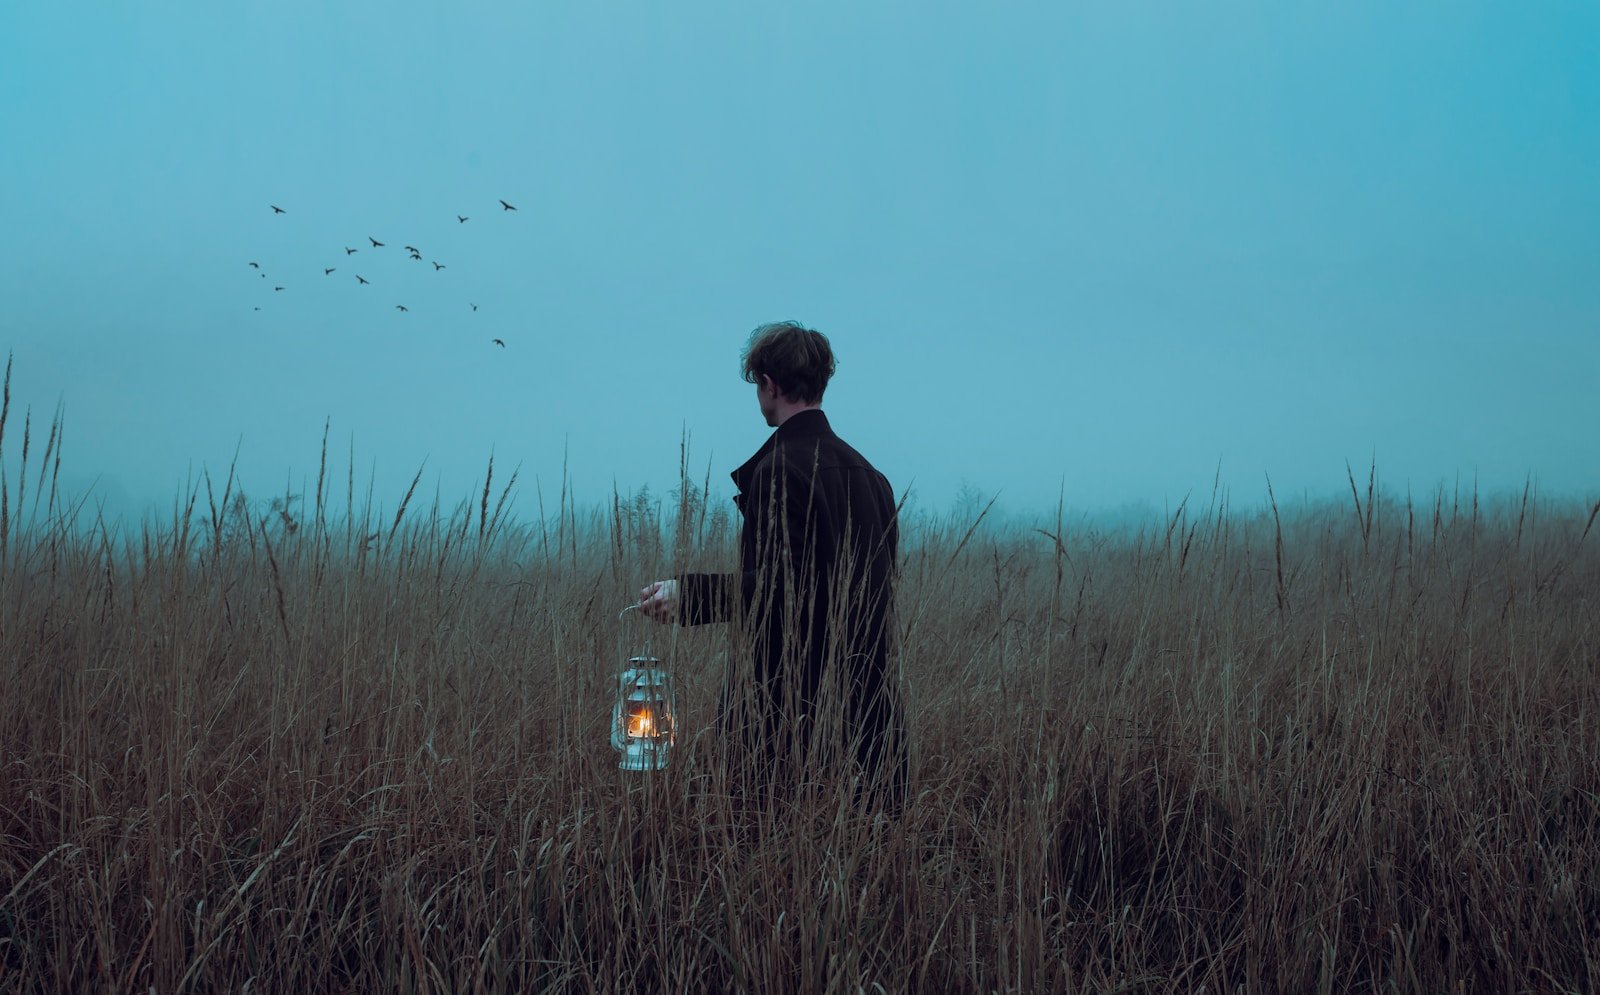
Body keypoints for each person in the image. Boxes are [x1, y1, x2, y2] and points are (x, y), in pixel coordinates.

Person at [639, 320, 907, 811]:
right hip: (870, 716)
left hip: (790, 721)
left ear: (769, 384)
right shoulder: (873, 477)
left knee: (775, 850)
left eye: (757, 384)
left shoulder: (779, 469)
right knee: (865, 849)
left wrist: (687, 594)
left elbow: (785, 588)